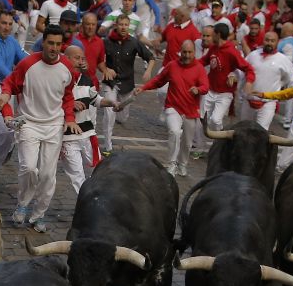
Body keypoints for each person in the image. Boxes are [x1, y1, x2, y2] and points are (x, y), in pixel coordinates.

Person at [0, 24, 79, 234]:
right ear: (43, 43)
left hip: (54, 125)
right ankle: (23, 203)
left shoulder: (68, 68)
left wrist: (69, 118)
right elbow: (10, 83)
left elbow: (68, 96)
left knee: (48, 175)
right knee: (28, 168)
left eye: (58, 44)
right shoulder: (27, 64)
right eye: (50, 43)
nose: (54, 48)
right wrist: (5, 94)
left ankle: (38, 214)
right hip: (29, 123)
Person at [135, 39, 207, 176]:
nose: (186, 55)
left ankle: (182, 164)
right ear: (181, 52)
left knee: (187, 142)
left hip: (191, 111)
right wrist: (143, 88)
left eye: (189, 52)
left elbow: (205, 86)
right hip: (173, 107)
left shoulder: (199, 69)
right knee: (174, 132)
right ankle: (171, 163)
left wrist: (198, 89)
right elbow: (158, 80)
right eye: (184, 52)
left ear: (194, 53)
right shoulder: (172, 66)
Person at [59, 44, 115, 191]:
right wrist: (69, 104)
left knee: (99, 170)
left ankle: (97, 199)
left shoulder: (86, 79)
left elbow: (95, 100)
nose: (81, 61)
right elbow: (50, 104)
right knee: (77, 178)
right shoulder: (58, 79)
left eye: (82, 58)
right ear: (66, 59)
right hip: (67, 138)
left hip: (88, 136)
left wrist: (112, 102)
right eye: (77, 58)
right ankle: (87, 206)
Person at [98, 13, 154, 156]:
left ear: (129, 27)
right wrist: (104, 69)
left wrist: (148, 71)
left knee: (122, 117)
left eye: (126, 25)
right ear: (116, 25)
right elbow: (98, 58)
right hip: (110, 83)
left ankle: (119, 116)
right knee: (109, 113)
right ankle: (108, 146)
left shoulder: (134, 42)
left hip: (127, 84)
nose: (123, 27)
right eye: (121, 24)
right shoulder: (106, 42)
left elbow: (150, 57)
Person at [200, 22, 253, 131]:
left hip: (225, 93)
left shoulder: (231, 51)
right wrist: (189, 65)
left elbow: (248, 68)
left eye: (213, 34)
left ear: (218, 35)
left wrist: (249, 81)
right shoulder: (213, 48)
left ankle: (219, 141)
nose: (210, 37)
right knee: (202, 118)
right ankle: (196, 143)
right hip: (210, 90)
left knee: (215, 120)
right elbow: (203, 61)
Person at [241, 29, 293, 130]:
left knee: (261, 132)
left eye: (272, 41)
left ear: (277, 42)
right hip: (248, 101)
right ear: (263, 40)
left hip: (267, 103)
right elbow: (241, 70)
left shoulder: (283, 60)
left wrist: (290, 90)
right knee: (244, 130)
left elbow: (292, 78)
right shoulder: (253, 55)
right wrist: (233, 76)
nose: (269, 43)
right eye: (267, 40)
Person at [75, 11, 105, 80]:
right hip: (76, 81)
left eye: (93, 24)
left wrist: (106, 70)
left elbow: (100, 62)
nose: (90, 27)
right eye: (88, 24)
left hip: (92, 82)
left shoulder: (100, 42)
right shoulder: (75, 41)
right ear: (82, 25)